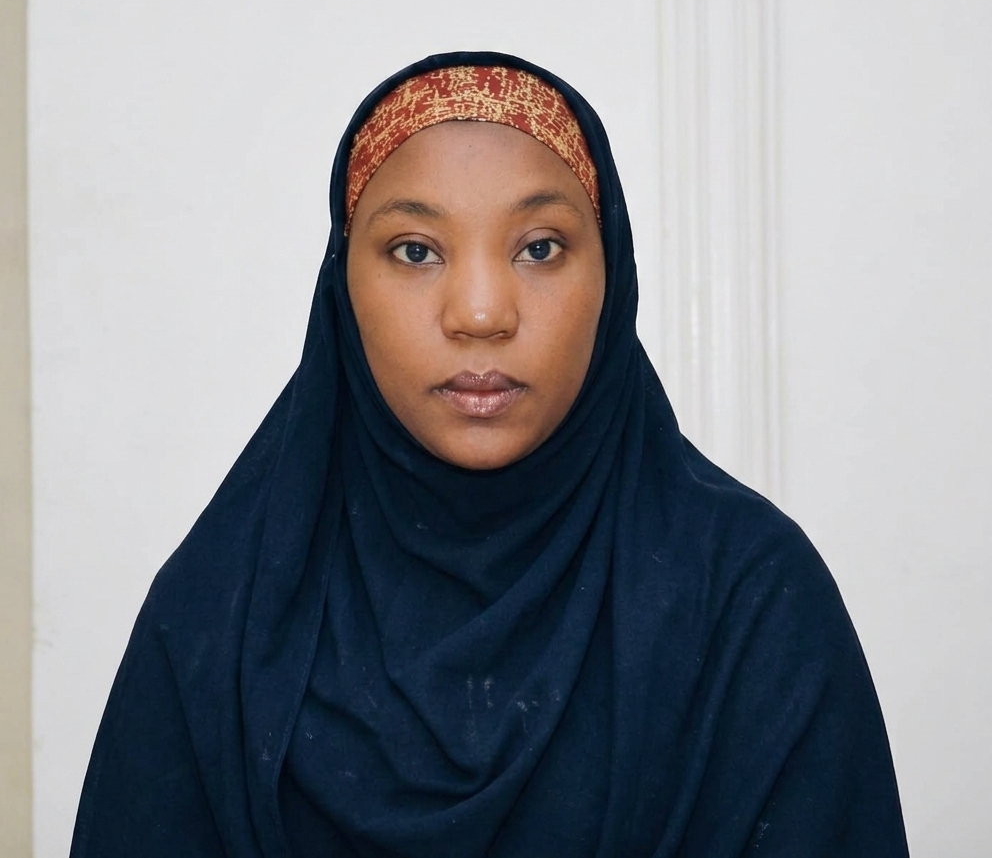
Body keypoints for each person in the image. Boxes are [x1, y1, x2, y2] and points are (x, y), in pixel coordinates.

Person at [70, 52, 909, 857]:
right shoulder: (221, 609)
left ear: (611, 275)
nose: (479, 313)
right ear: (342, 287)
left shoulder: (752, 599)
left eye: (539, 247)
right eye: (415, 250)